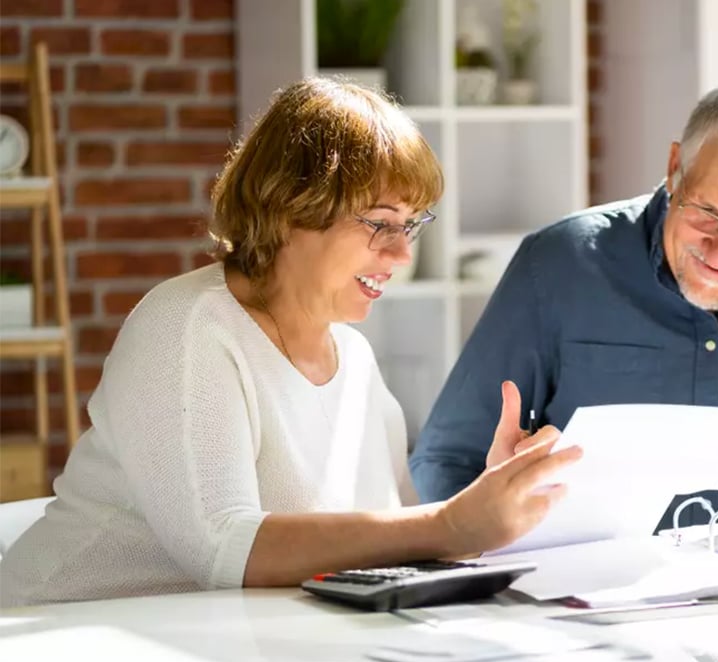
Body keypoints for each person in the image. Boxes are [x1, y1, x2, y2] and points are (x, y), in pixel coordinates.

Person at [0, 78, 579, 608]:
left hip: (223, 645)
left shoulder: (353, 360)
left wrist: (494, 505)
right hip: (59, 637)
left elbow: (395, 540)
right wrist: (452, 523)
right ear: (288, 211)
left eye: (412, 225)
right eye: (380, 223)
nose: (403, 254)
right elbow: (226, 550)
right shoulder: (188, 327)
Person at [410, 76, 718, 537]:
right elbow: (441, 463)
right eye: (707, 214)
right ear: (675, 169)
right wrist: (497, 520)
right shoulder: (561, 264)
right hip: (580, 607)